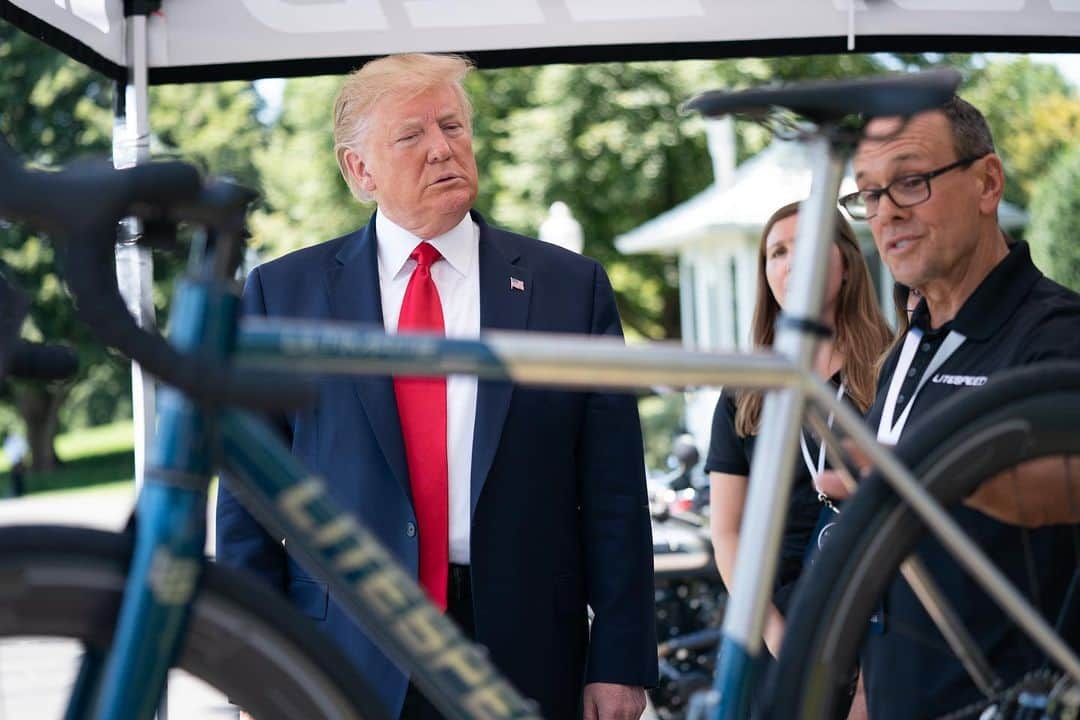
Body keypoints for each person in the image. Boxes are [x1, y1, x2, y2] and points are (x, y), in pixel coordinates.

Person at [215, 53, 657, 720]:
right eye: (411, 135)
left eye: (452, 125)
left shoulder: (568, 290)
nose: (442, 149)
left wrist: (622, 659)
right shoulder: (285, 295)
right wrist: (258, 666)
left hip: (526, 648)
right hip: (348, 651)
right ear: (358, 170)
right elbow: (249, 497)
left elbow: (614, 489)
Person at [821, 95, 1080, 719]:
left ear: (987, 182)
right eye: (869, 195)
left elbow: (1063, 486)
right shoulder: (909, 342)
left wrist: (937, 473)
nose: (886, 215)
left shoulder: (1057, 333)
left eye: (911, 183)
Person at [706, 202, 891, 662]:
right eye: (777, 252)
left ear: (847, 263)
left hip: (880, 616)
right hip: (774, 628)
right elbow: (728, 532)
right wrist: (772, 632)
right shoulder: (745, 390)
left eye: (806, 246)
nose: (791, 263)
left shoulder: (893, 368)